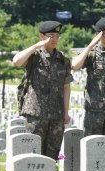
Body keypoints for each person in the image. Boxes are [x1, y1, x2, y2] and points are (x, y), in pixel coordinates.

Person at [12, 21, 73, 161]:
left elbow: (66, 87)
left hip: (56, 115)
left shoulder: (63, 60)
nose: (54, 40)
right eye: (51, 36)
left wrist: (66, 112)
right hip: (35, 114)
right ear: (41, 36)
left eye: (57, 36)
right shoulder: (34, 56)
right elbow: (17, 61)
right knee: (33, 156)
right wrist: (36, 46)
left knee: (52, 157)